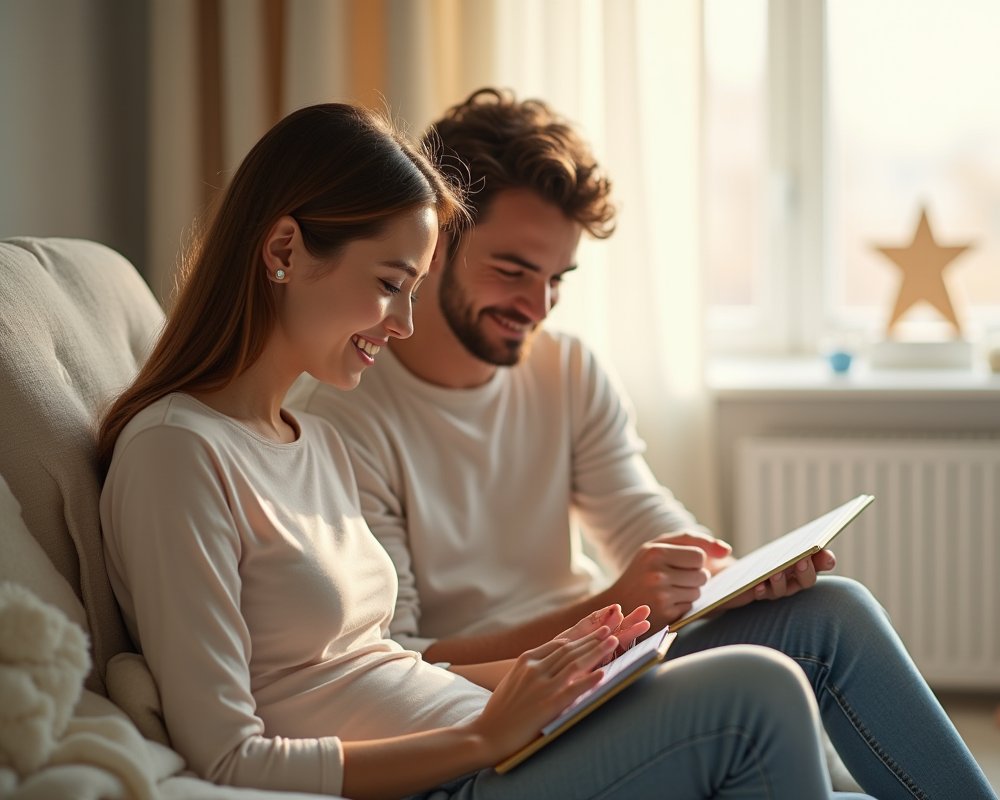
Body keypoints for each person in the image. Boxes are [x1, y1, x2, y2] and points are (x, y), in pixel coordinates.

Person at [97, 103, 868, 800]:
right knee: (755, 694)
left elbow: (383, 665)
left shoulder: (314, 441)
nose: (403, 321)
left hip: (493, 735)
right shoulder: (177, 454)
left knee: (809, 633)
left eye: (414, 287)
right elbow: (228, 758)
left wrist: (568, 661)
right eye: (391, 283)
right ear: (286, 249)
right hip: (456, 770)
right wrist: (484, 735)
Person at [297, 89, 999, 800]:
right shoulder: (347, 419)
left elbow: (642, 514)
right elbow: (402, 661)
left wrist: (733, 578)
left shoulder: (566, 370)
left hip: (604, 670)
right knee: (762, 692)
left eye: (557, 279)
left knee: (835, 613)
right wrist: (609, 607)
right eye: (512, 271)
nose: (537, 307)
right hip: (496, 715)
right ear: (435, 244)